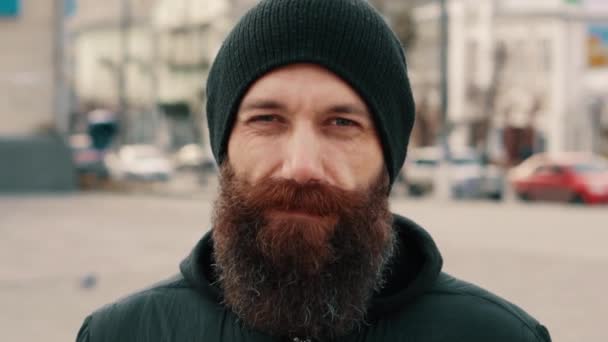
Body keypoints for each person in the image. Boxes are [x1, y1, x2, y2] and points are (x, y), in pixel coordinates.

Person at [76, 0, 552, 341]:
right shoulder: (123, 333)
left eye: (342, 123)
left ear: (389, 157)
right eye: (266, 120)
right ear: (224, 148)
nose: (301, 166)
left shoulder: (497, 334)